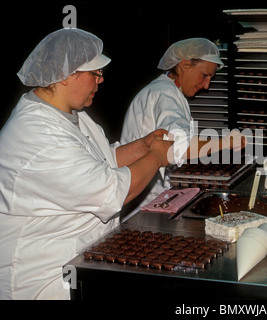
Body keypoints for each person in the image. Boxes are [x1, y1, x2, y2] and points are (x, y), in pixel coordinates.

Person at [0, 28, 172, 300]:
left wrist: (142, 146)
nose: (100, 80)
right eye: (96, 73)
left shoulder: (71, 114)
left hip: (77, 261)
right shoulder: (36, 136)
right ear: (67, 76)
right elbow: (112, 191)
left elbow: (99, 160)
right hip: (43, 276)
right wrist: (156, 157)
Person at [120, 38, 245, 220]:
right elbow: (179, 146)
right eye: (204, 75)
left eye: (211, 78)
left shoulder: (163, 90)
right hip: (147, 203)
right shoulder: (166, 94)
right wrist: (226, 142)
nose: (207, 85)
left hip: (151, 198)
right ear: (185, 65)